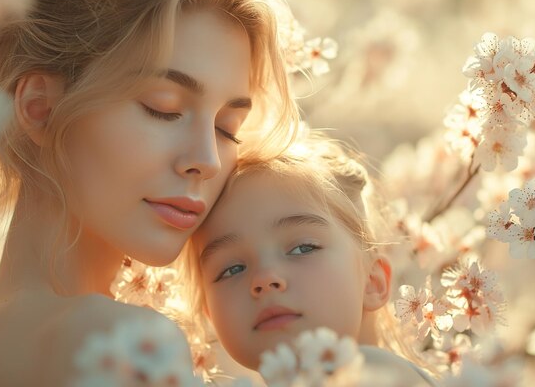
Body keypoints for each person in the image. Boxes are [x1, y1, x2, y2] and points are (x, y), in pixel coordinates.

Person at [0, 0, 299, 385]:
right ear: (41, 107)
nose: (207, 161)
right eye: (163, 107)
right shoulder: (119, 343)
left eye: (227, 128)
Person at [181, 131, 438, 385]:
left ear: (373, 281)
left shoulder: (373, 374)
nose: (264, 278)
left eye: (303, 249)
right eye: (232, 269)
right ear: (209, 313)